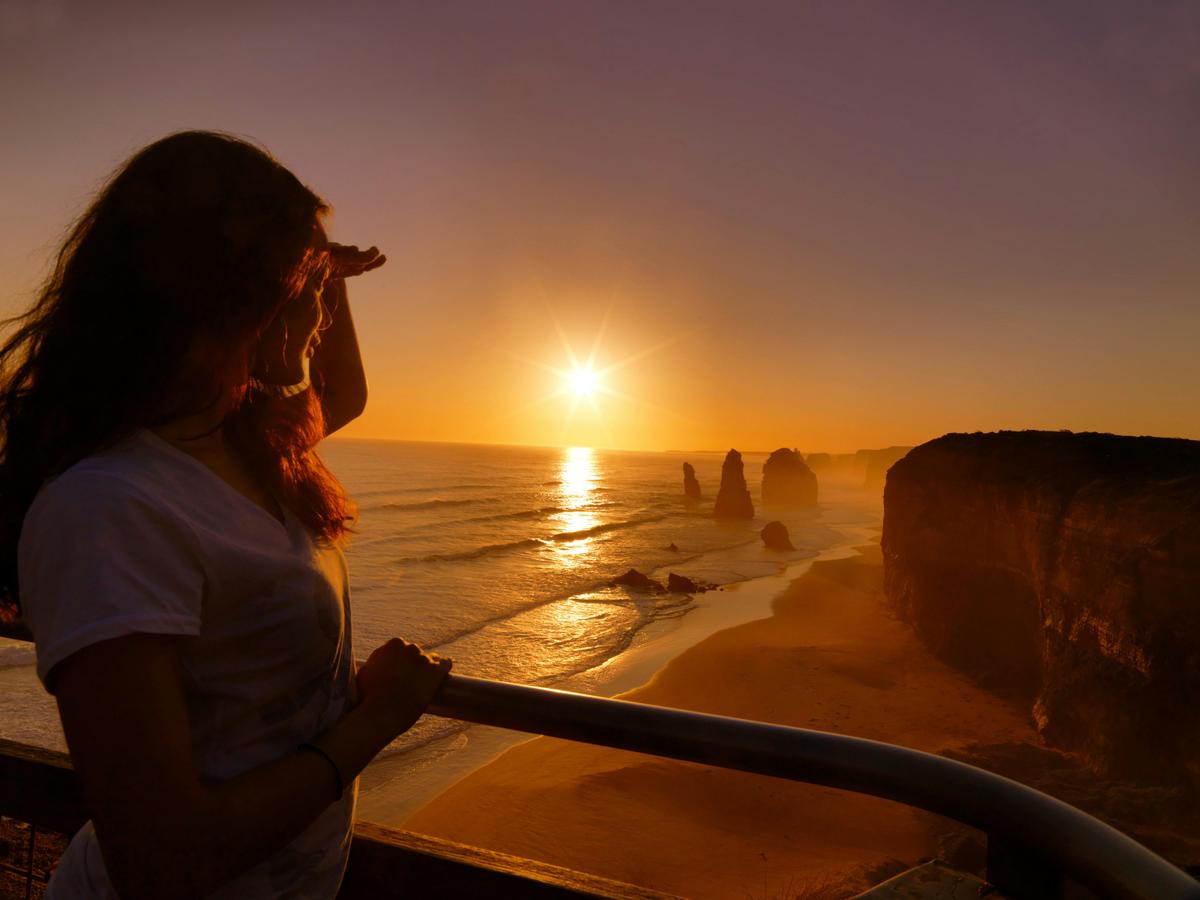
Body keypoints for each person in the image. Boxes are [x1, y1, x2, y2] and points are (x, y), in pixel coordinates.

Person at [0, 130, 452, 898]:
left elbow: (342, 394)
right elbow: (162, 861)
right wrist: (379, 720)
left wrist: (324, 270)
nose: (322, 311)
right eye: (309, 282)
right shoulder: (110, 509)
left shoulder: (244, 449)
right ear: (239, 291)